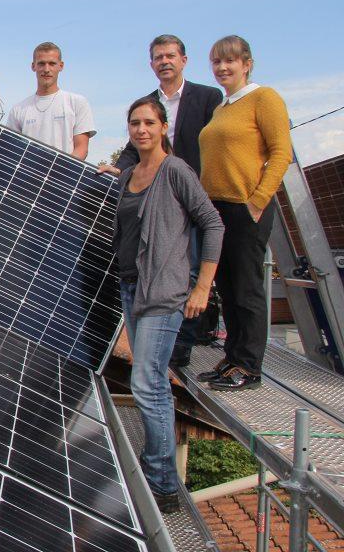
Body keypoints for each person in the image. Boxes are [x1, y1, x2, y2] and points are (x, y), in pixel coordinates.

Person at [114, 97, 223, 513]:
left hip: (164, 292)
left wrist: (202, 286)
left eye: (148, 122)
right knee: (149, 381)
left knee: (147, 382)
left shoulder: (174, 170)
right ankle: (153, 463)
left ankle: (161, 484)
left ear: (162, 128)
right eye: (134, 123)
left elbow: (212, 223)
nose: (141, 129)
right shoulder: (128, 176)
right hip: (131, 289)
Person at [100, 35, 223, 368]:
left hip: (189, 193)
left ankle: (181, 348)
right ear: (151, 64)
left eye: (170, 56)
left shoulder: (208, 97)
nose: (164, 61)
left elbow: (218, 142)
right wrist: (121, 169)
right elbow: (131, 150)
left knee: (190, 271)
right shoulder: (147, 102)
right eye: (158, 57)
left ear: (183, 60)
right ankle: (168, 350)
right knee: (163, 272)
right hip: (155, 199)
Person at [196, 36, 292, 391]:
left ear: (247, 63)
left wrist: (258, 200)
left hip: (244, 207)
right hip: (216, 209)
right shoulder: (223, 107)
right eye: (217, 63)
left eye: (230, 61)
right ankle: (233, 358)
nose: (222, 68)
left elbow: (281, 152)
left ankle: (249, 367)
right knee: (227, 286)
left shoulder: (263, 98)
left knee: (247, 288)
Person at [6, 42, 96, 159]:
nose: (46, 69)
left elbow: (81, 148)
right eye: (41, 64)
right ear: (33, 66)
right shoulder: (18, 110)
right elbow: (11, 149)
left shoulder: (77, 103)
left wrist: (59, 173)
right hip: (27, 175)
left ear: (61, 66)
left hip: (64, 175)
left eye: (52, 63)